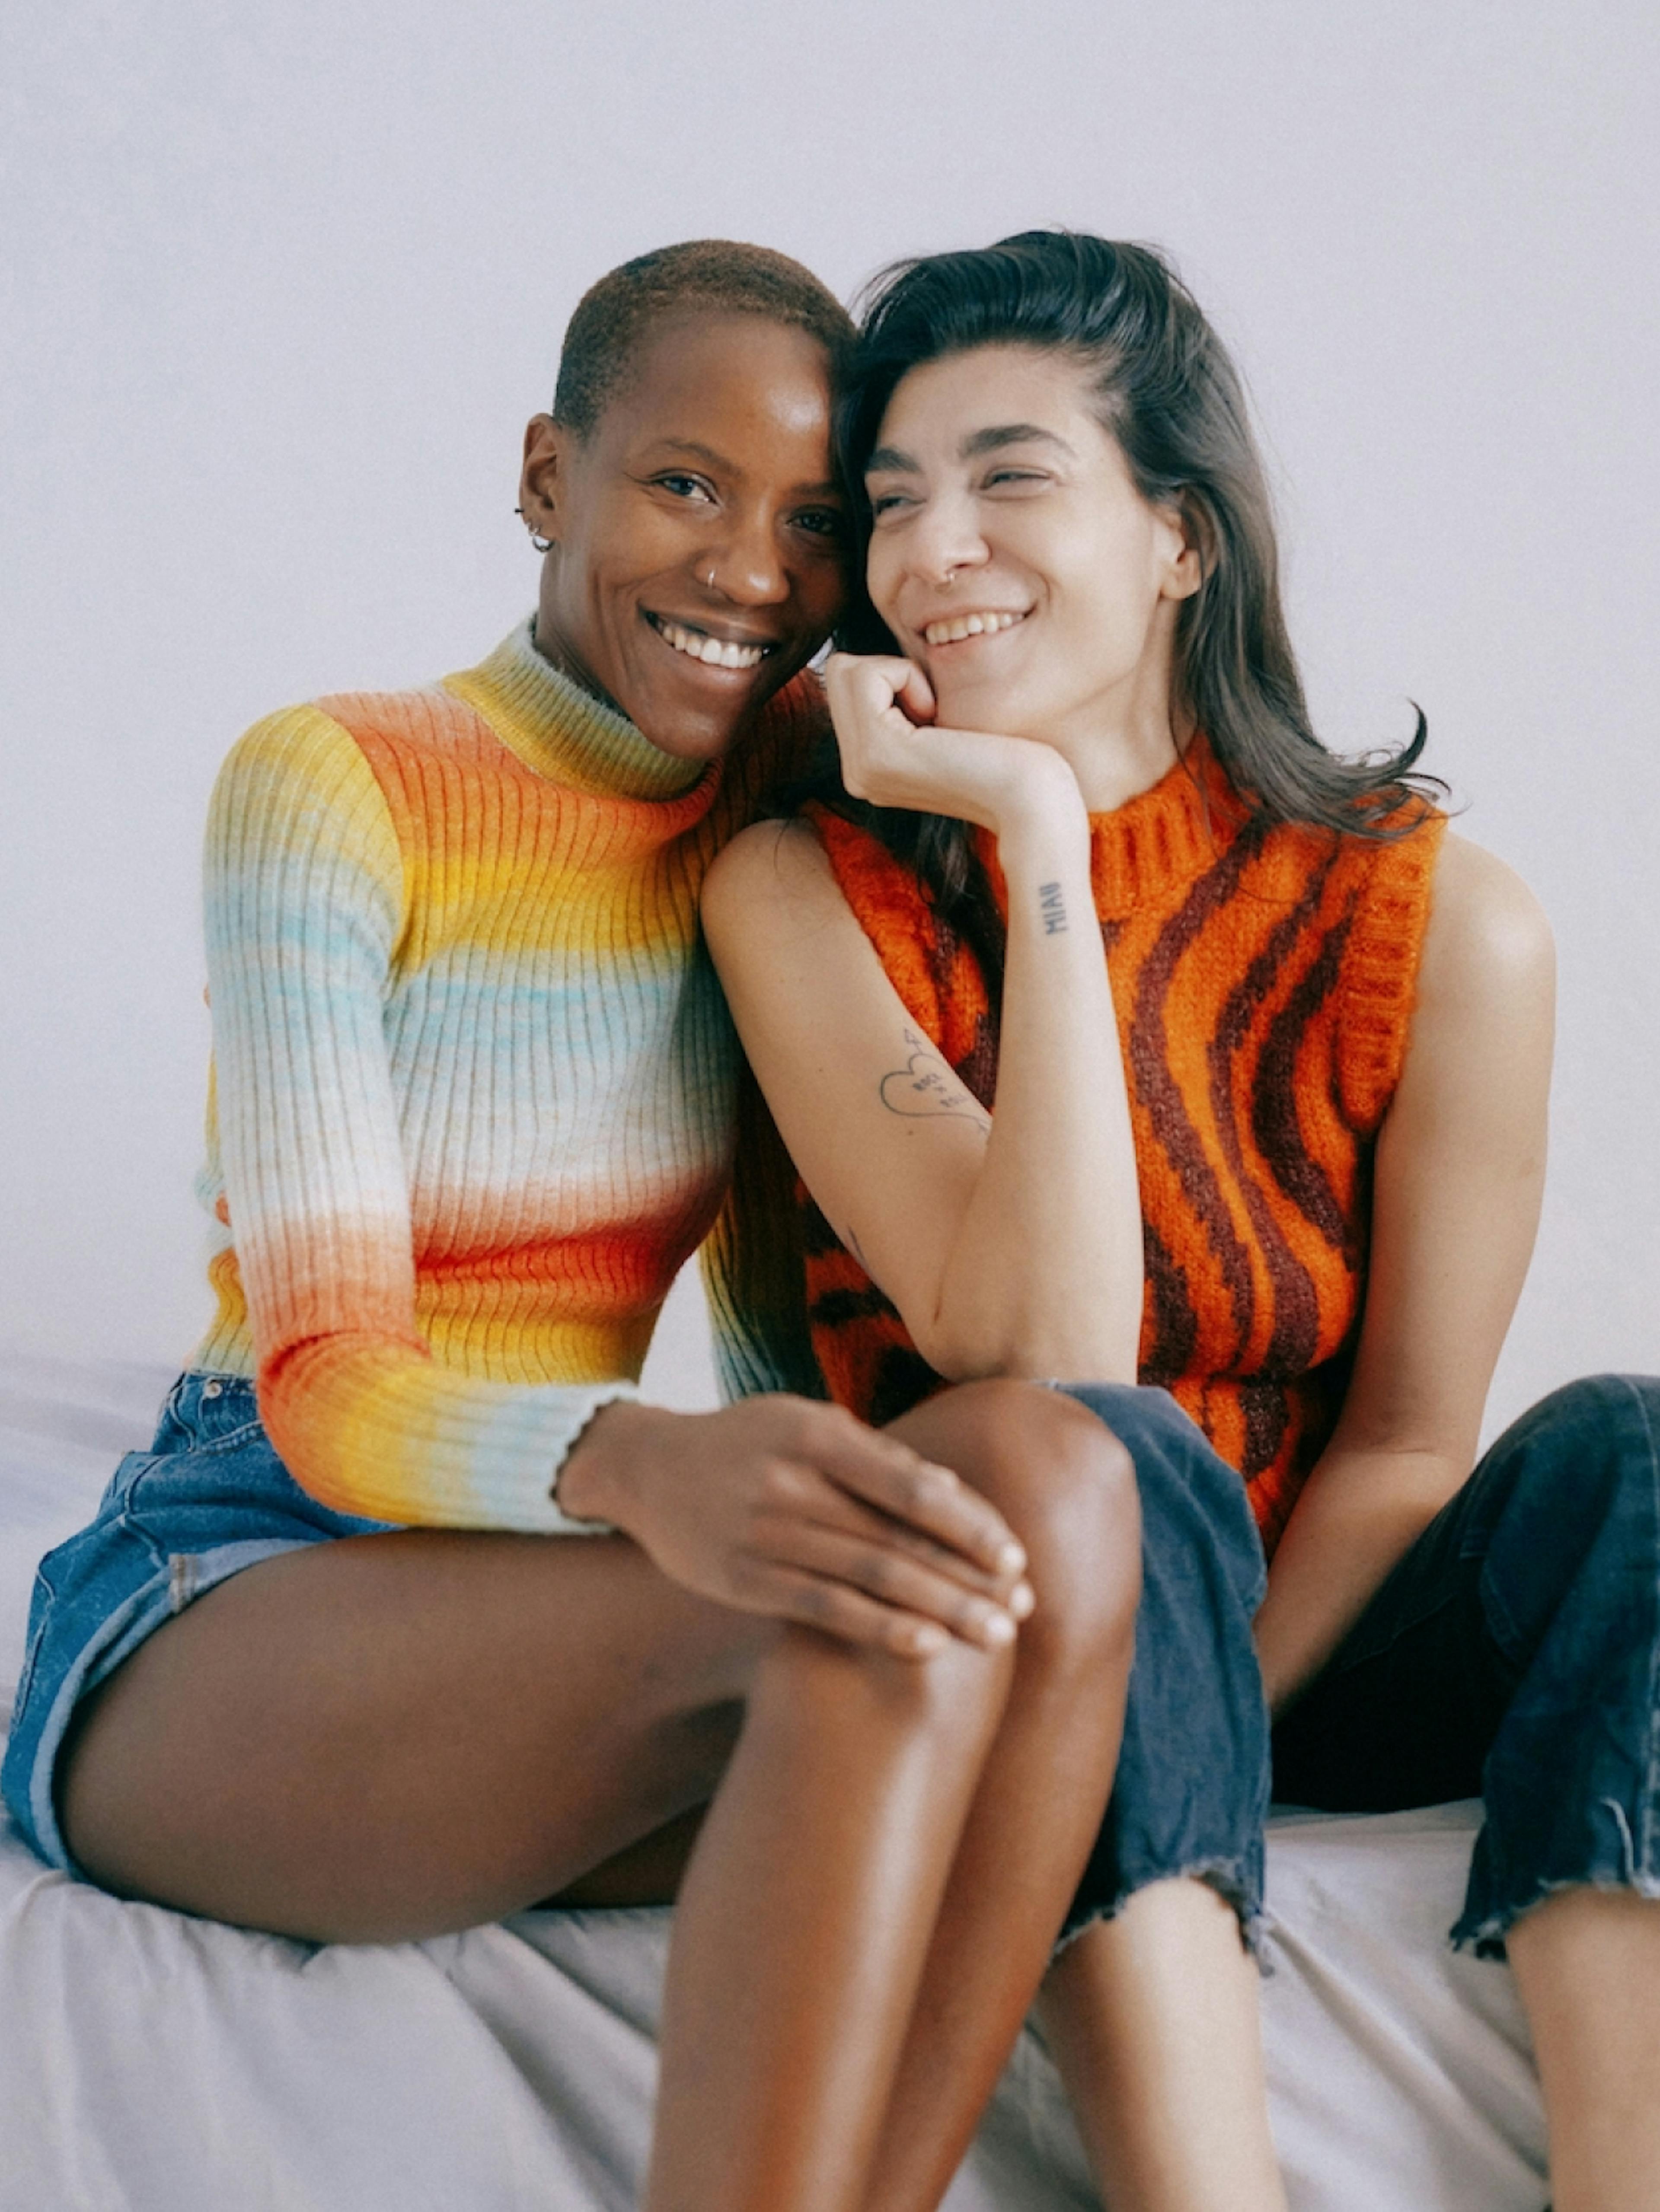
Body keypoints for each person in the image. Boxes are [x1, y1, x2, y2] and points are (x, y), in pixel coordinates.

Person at [1, 241, 1147, 2212]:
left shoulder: (764, 837)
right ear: (551, 474)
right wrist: (647, 1464)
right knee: (871, 1602)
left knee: (1047, 1480)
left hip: (561, 1594)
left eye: (810, 521)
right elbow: (329, 1378)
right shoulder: (339, 779)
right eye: (681, 485)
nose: (750, 575)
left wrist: (811, 1474)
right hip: (245, 1576)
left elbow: (778, 1307)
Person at [703, 228, 1660, 2212]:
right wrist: (1037, 835)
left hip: (1293, 1631)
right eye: (892, 503)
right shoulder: (803, 888)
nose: (930, 548)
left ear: (1183, 539)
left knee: (1645, 1451)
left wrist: (1223, 1695)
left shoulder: (1441, 921)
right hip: (1014, 1606)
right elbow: (1038, 1357)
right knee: (1110, 1458)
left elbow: (1406, 1437)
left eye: (1012, 475)